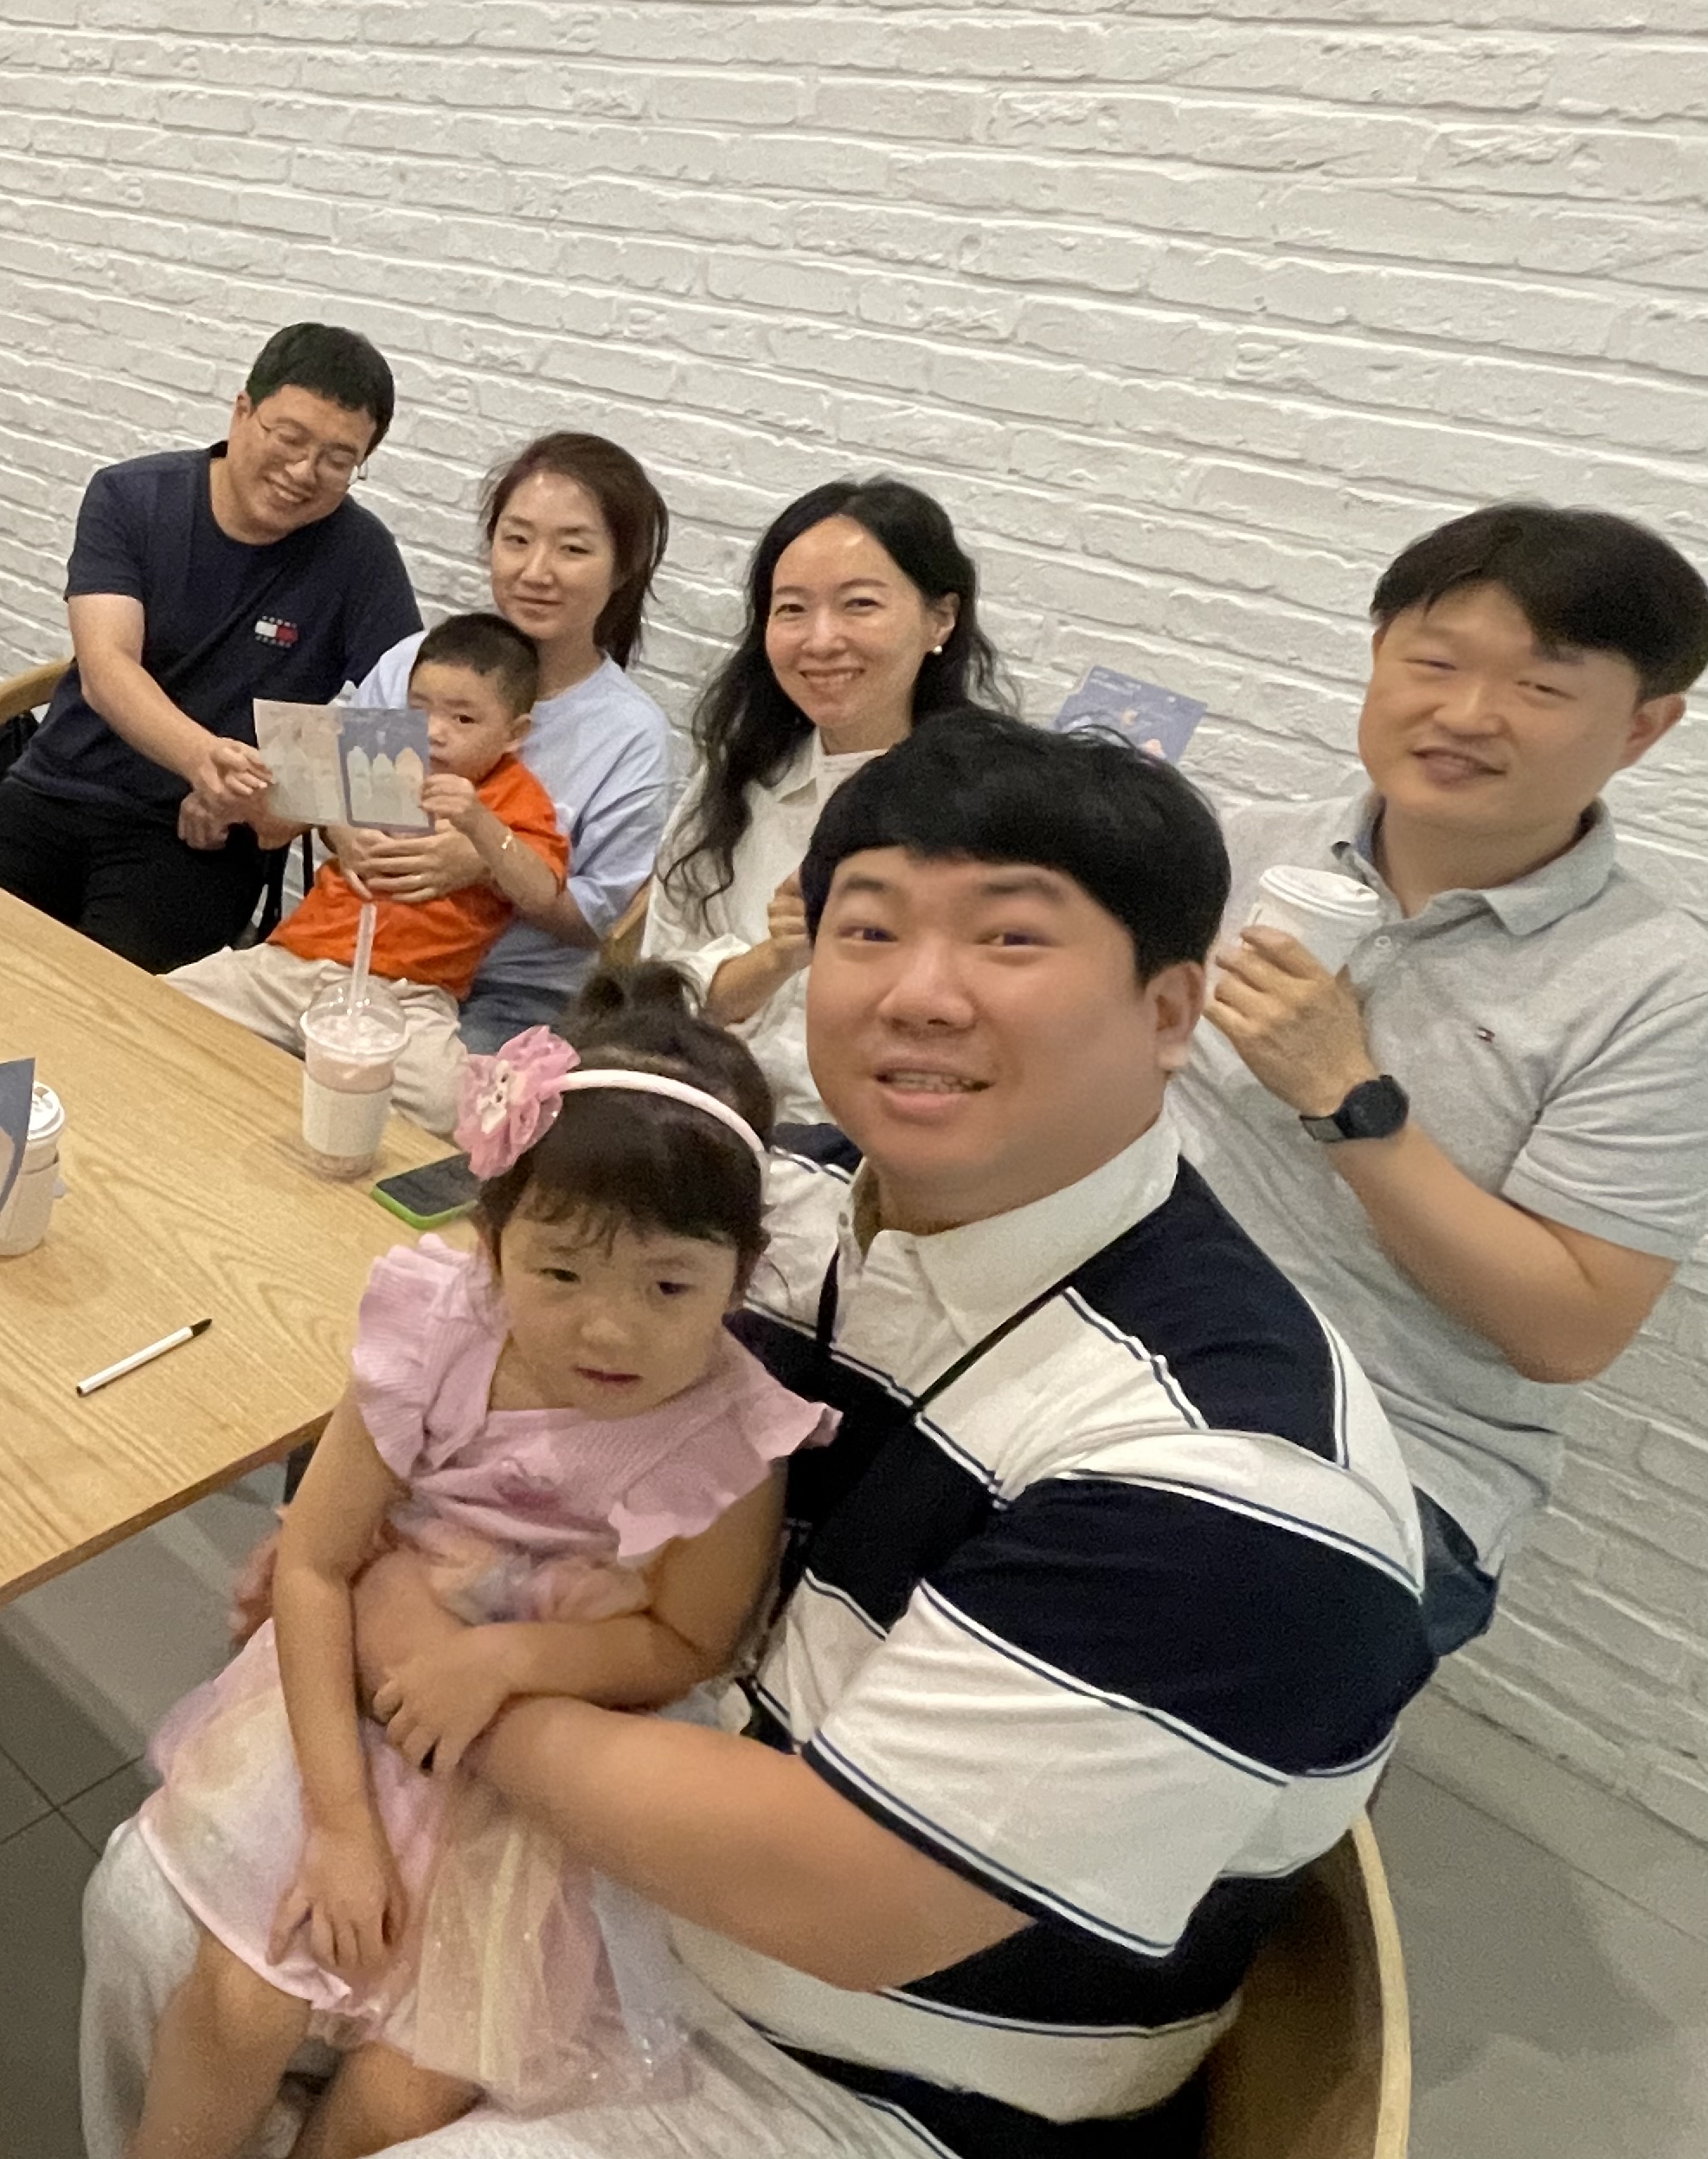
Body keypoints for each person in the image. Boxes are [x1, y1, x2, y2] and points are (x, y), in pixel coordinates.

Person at [83, 714, 1435, 2159]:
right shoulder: (786, 1217)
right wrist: (372, 1541)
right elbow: (491, 1379)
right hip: (615, 1828)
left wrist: (408, 1639)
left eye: (1009, 938)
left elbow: (843, 1898)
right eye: (871, 927)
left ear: (1170, 1011)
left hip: (847, 2061)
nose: (920, 992)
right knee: (153, 1915)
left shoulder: (1225, 1472)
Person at [125, 972, 834, 2157]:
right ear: (493, 1243)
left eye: (669, 1285)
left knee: (411, 2095)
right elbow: (315, 1563)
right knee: (241, 2003)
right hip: (358, 1708)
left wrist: (502, 1663)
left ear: (743, 1273)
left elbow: (686, 1639)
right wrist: (340, 1829)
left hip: (547, 1756)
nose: (608, 1328)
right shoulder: (440, 1328)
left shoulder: (733, 1436)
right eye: (560, 1272)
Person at [1177, 503, 1708, 1661]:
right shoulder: (1246, 847)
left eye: (1541, 686)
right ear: (1380, 658)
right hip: (1120, 1328)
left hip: (1386, 1443)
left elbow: (1569, 1330)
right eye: (1433, 662)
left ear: (1643, 727)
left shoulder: (1662, 989)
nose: (1466, 714)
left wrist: (1349, 1101)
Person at [0, 324, 421, 973]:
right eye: (290, 437)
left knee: (103, 1000)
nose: (304, 472)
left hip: (201, 841)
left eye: (338, 459)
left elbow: (402, 735)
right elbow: (108, 670)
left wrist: (281, 800)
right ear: (242, 410)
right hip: (57, 788)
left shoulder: (362, 556)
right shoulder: (132, 497)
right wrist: (201, 759)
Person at [644, 479, 1005, 1126]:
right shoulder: (740, 778)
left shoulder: (991, 806)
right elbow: (657, 995)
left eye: (859, 604)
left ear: (941, 618)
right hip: (708, 1122)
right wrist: (773, 959)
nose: (821, 640)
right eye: (791, 609)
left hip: (887, 1147)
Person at [325, 434, 677, 1047]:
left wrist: (487, 862)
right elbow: (342, 798)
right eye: (516, 540)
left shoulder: (630, 733)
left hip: (512, 993)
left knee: (432, 1095)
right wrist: (346, 835)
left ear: (624, 567)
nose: (536, 572)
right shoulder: (415, 664)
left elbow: (592, 924)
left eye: (573, 548)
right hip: (363, 948)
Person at [169, 614, 573, 1134]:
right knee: (161, 1002)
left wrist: (479, 825)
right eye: (418, 710)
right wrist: (266, 795)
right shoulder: (380, 756)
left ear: (515, 734)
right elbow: (280, 822)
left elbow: (540, 892)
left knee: (447, 1108)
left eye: (464, 719)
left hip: (407, 994)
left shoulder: (516, 798)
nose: (434, 733)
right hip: (292, 963)